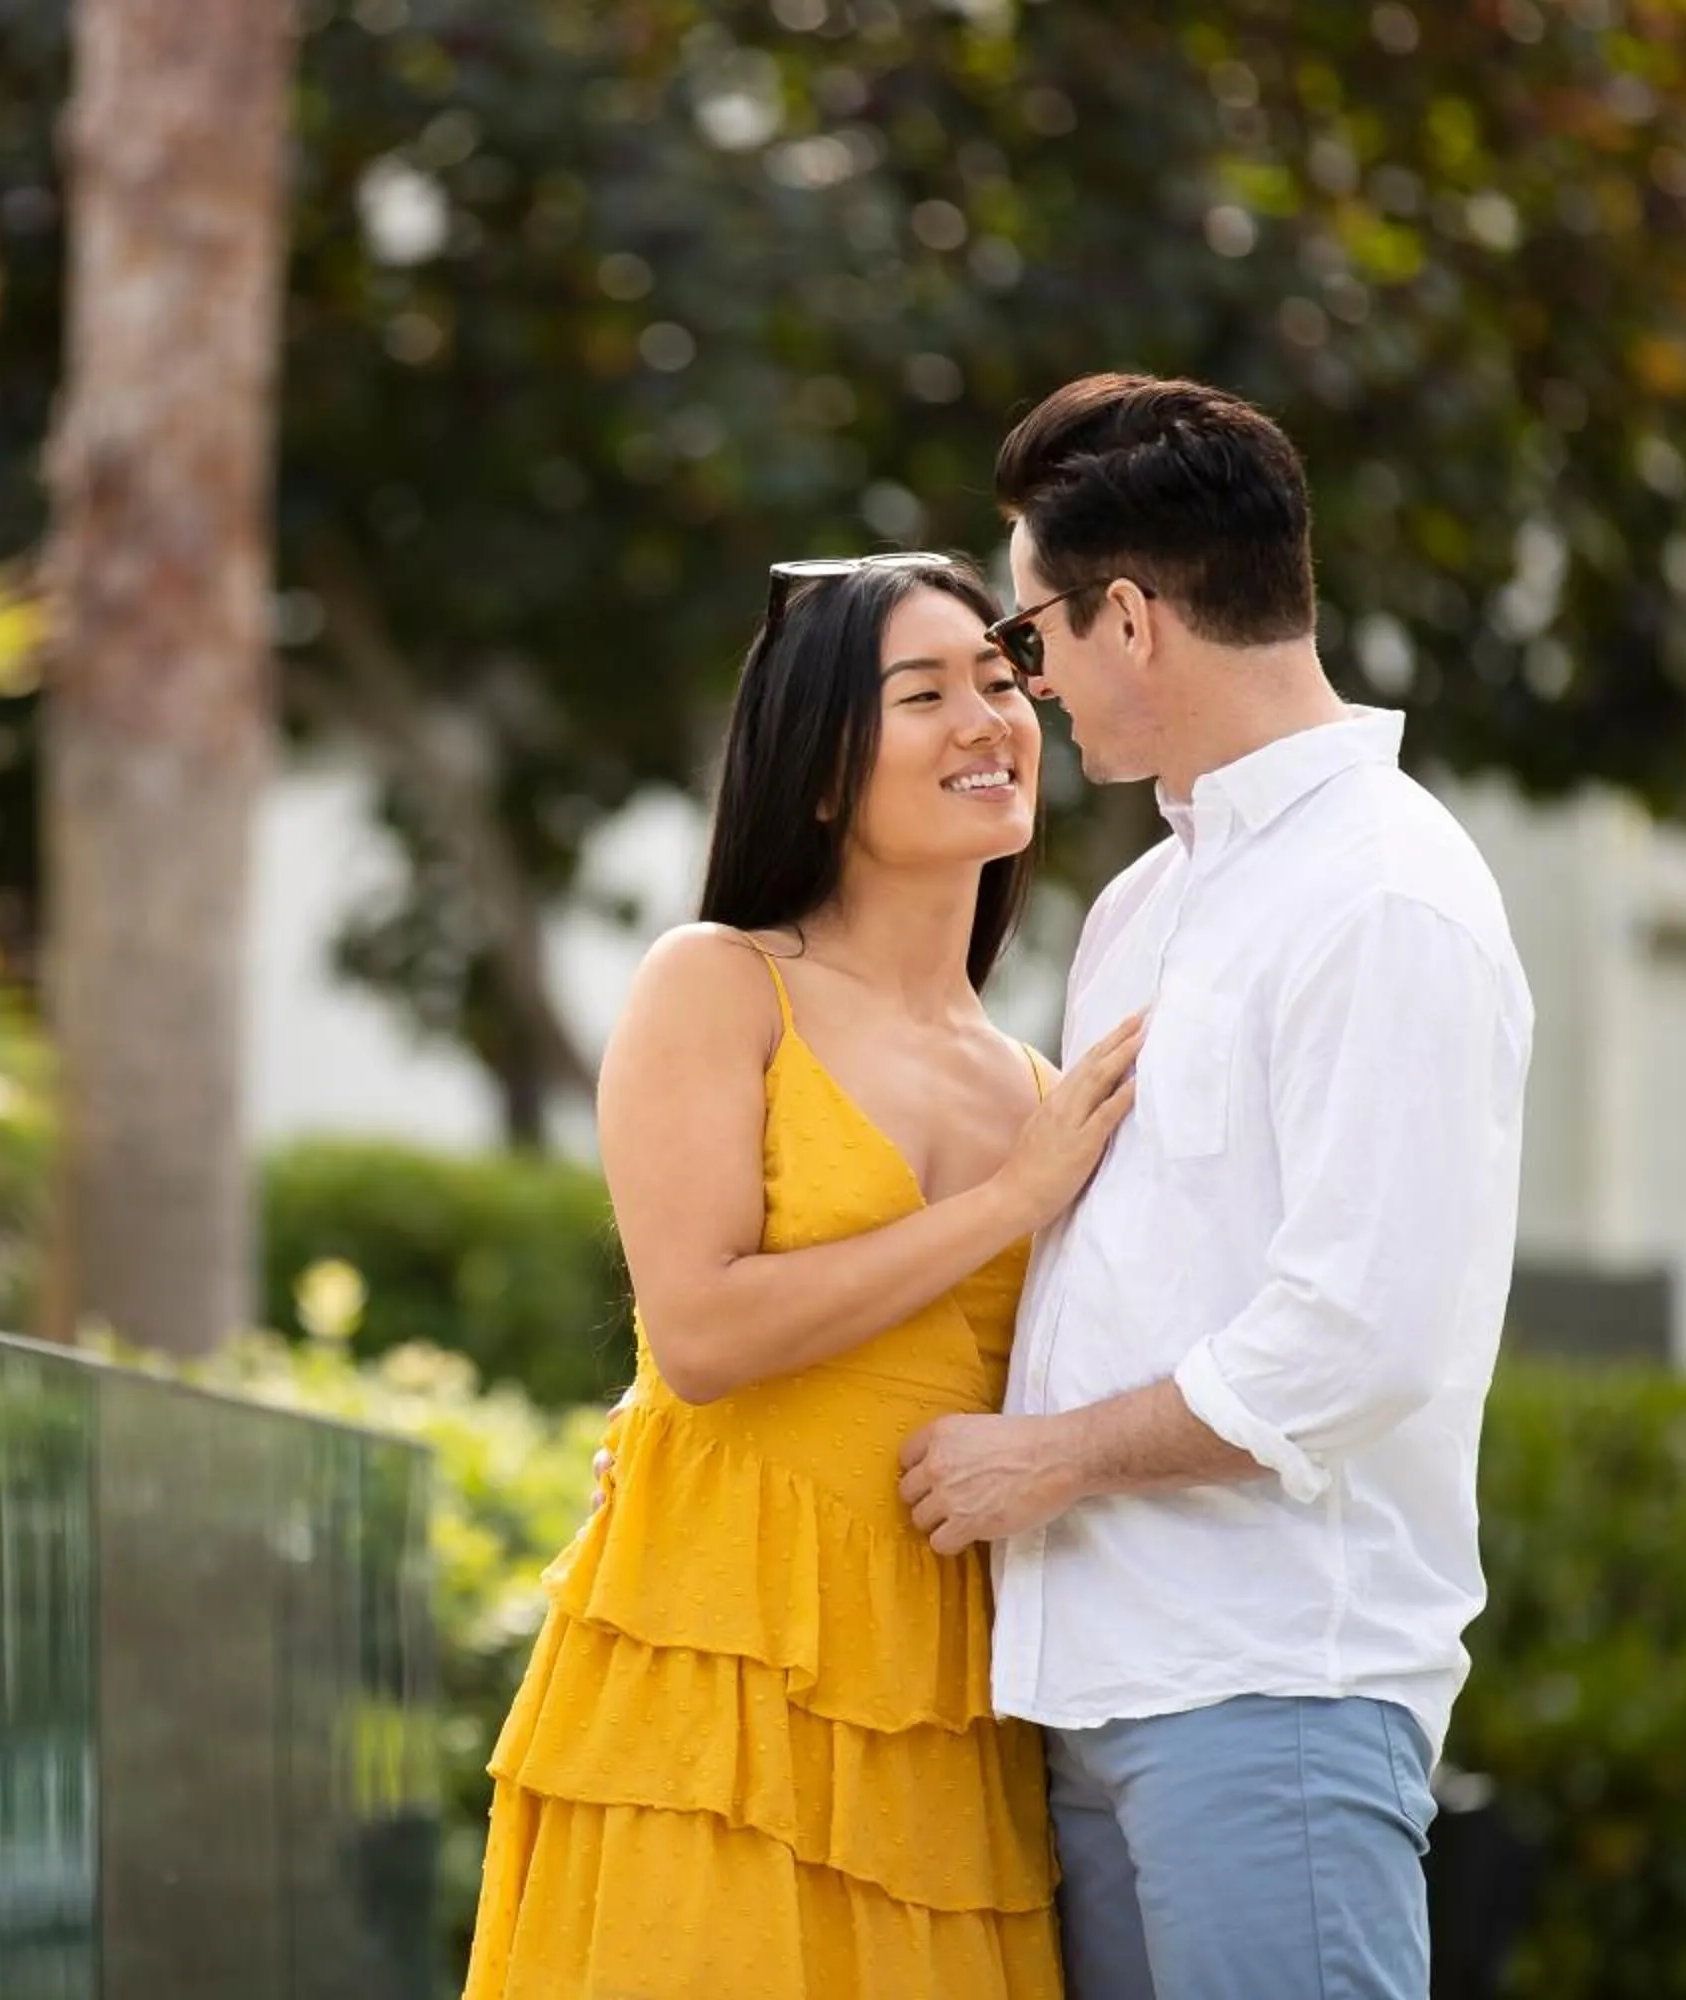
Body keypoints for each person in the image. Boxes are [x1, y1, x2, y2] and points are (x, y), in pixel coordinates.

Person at [896, 374, 1535, 2000]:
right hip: (1095, 1683)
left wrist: (1047, 1463)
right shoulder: (1147, 907)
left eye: (1027, 640)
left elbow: (1356, 1334)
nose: (1024, 694)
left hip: (1272, 1695)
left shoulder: (1386, 896)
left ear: (1129, 620)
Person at [462, 549, 1144, 2000]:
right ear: (822, 774)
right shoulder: (718, 982)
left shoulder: (1042, 1079)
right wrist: (1015, 1198)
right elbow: (700, 1329)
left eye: (998, 679)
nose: (987, 718)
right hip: (711, 1668)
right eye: (923, 693)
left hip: (945, 1705)